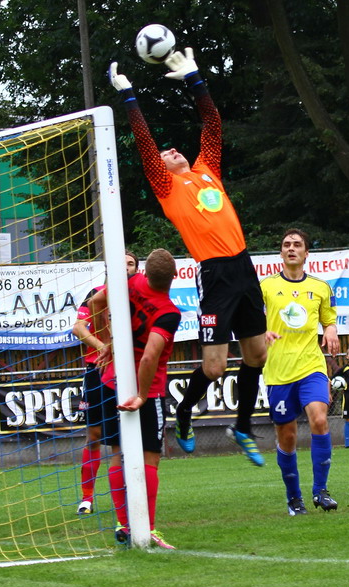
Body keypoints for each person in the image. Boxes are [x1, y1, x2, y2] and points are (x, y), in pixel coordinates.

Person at [109, 49, 268, 467]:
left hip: (243, 266)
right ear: (160, 169)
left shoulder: (206, 169)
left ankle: (244, 427)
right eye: (166, 153)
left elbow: (212, 124)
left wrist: (195, 80)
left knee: (257, 356)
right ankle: (183, 412)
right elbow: (145, 144)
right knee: (214, 368)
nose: (172, 150)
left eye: (174, 149)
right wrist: (129, 98)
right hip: (214, 273)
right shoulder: (167, 188)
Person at [89, 249, 181, 549]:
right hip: (147, 390)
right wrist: (142, 395)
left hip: (113, 380)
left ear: (146, 272)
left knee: (118, 453)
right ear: (174, 277)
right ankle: (149, 528)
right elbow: (150, 356)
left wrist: (108, 341)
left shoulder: (130, 283)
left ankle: (124, 524)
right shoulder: (168, 312)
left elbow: (95, 303)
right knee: (150, 458)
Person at [261, 229, 341, 515]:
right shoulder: (266, 287)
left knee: (319, 419)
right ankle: (294, 497)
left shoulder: (320, 287)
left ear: (307, 253)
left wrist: (330, 330)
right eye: (286, 245)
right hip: (279, 371)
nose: (291, 248)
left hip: (311, 365)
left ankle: (321, 490)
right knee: (288, 437)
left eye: (297, 245)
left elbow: (329, 319)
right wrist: (262, 332)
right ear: (281, 253)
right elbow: (251, 322)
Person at [72, 252, 138, 515]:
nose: (126, 267)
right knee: (95, 435)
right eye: (121, 263)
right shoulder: (96, 293)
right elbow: (78, 328)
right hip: (98, 370)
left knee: (129, 439)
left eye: (131, 263)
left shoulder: (142, 296)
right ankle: (87, 498)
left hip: (133, 372)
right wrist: (104, 348)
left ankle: (132, 495)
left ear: (137, 269)